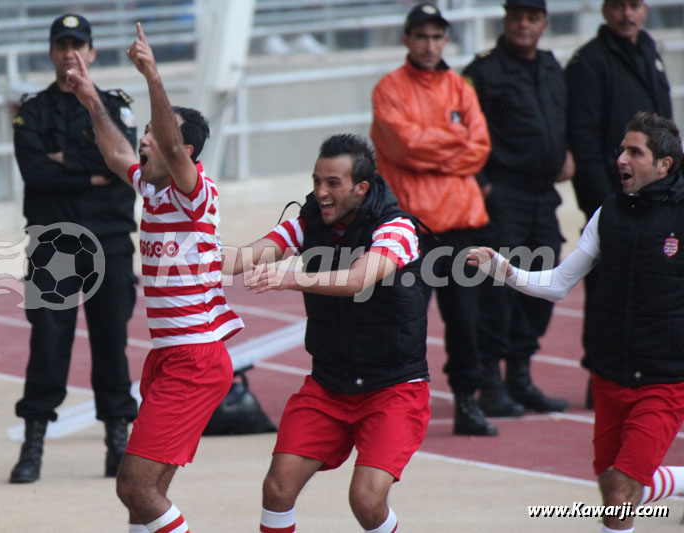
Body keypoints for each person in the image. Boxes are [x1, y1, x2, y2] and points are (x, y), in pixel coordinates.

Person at [468, 112, 684, 532]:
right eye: (621, 148)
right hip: (609, 375)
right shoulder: (608, 214)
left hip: (664, 379)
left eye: (634, 152)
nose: (620, 158)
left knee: (621, 494)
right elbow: (557, 283)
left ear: (664, 166)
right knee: (611, 488)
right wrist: (505, 272)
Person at [66, 22, 244, 532]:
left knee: (134, 486)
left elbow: (168, 136)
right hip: (171, 356)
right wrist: (90, 99)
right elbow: (116, 152)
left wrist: (152, 76)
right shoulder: (153, 188)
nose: (144, 138)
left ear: (184, 153)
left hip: (194, 357)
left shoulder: (195, 191)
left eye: (153, 133)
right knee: (146, 494)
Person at [226, 133, 429, 533]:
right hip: (329, 383)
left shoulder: (398, 229)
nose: (320, 192)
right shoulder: (307, 224)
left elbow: (358, 280)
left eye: (332, 183)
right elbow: (245, 256)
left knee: (366, 501)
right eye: (317, 181)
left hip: (392, 387)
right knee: (277, 488)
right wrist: (185, 255)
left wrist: (292, 277)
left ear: (361, 188)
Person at [9, 13, 139, 484]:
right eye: (61, 45)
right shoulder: (34, 110)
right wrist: (92, 170)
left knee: (112, 345)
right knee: (47, 344)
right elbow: (35, 174)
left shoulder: (114, 107)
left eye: (77, 44)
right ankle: (33, 446)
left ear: (92, 53)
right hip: (54, 244)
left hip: (110, 240)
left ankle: (117, 443)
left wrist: (66, 162)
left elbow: (126, 164)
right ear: (51, 52)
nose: (69, 53)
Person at [370, 3, 495, 435]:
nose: (429, 44)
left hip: (462, 225)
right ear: (406, 39)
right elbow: (404, 147)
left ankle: (467, 402)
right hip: (412, 228)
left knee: (466, 323)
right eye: (421, 36)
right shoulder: (388, 89)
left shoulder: (460, 87)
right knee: (405, 322)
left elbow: (480, 148)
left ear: (445, 40)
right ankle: (396, 406)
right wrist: (454, 144)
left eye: (436, 36)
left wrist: (435, 148)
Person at [461, 0, 571, 417]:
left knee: (544, 281)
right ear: (505, 19)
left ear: (543, 22)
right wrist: (483, 185)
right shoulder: (484, 70)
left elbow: (564, 120)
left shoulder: (550, 66)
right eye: (516, 16)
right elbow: (460, 129)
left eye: (533, 17)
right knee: (498, 290)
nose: (524, 24)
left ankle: (520, 377)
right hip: (502, 195)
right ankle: (490, 383)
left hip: (544, 195)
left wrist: (569, 153)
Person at [566, 0, 673, 406]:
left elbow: (666, 131)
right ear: (604, 10)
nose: (627, 14)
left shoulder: (649, 50)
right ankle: (601, 374)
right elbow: (585, 138)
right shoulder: (589, 63)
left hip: (660, 199)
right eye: (618, 5)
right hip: (615, 201)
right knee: (607, 292)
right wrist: (604, 205)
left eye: (635, 5)